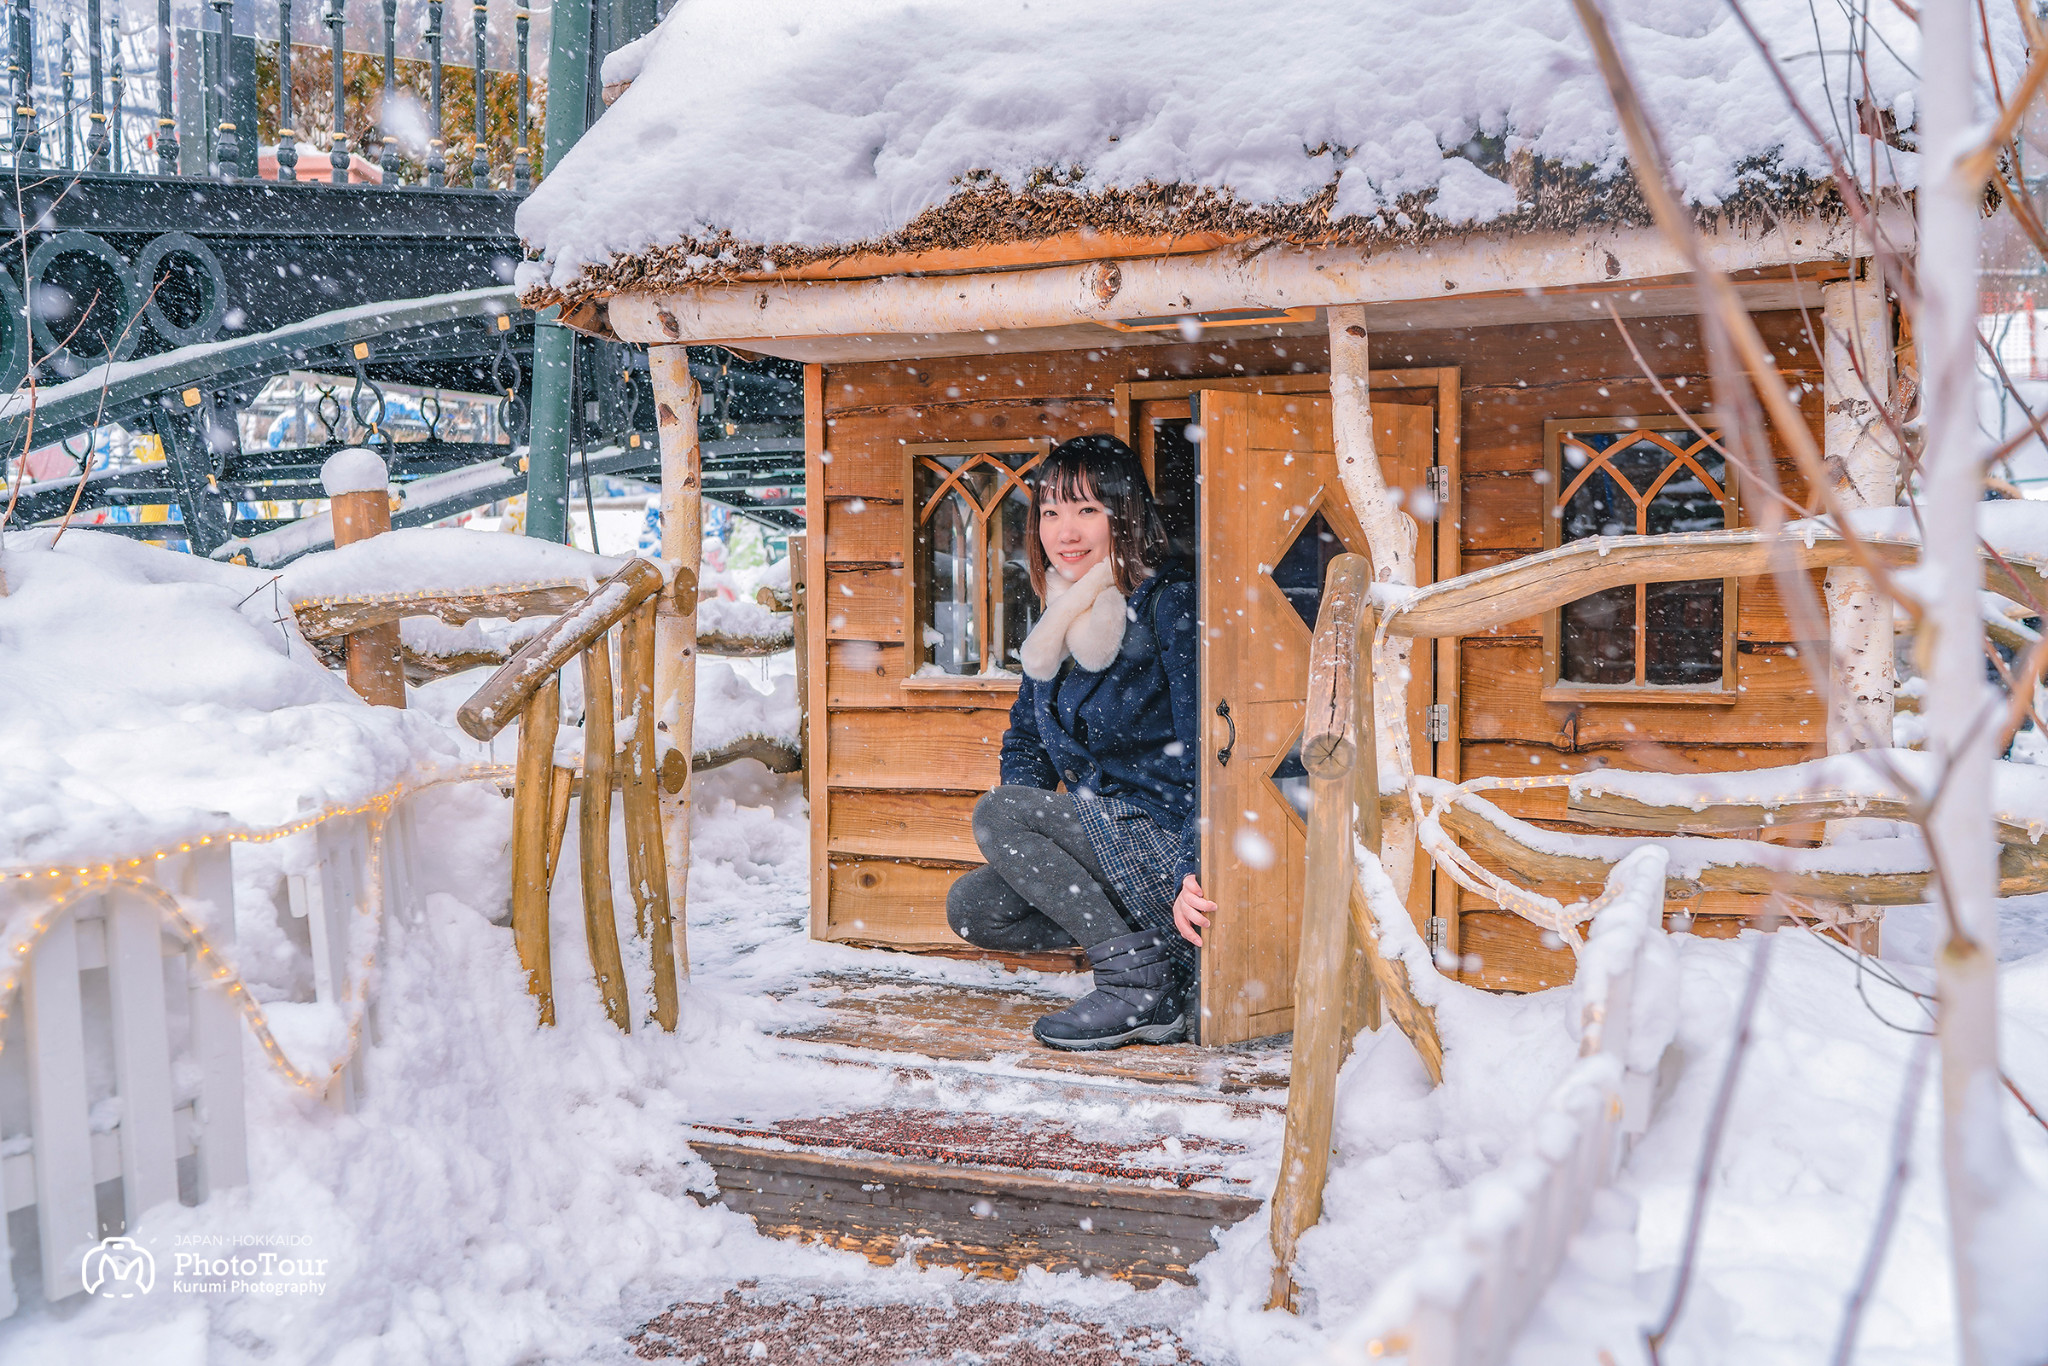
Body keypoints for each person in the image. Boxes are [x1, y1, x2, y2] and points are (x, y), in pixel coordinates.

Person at [945, 434, 1215, 1050]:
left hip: (1166, 839)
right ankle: (1161, 975)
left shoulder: (1167, 604)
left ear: (1125, 516)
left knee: (999, 811)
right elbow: (1025, 738)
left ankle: (1138, 988)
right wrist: (1028, 840)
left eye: (1087, 509)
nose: (1065, 531)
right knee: (976, 907)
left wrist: (1197, 863)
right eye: (1050, 511)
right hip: (1104, 833)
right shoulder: (1058, 617)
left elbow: (1210, 745)